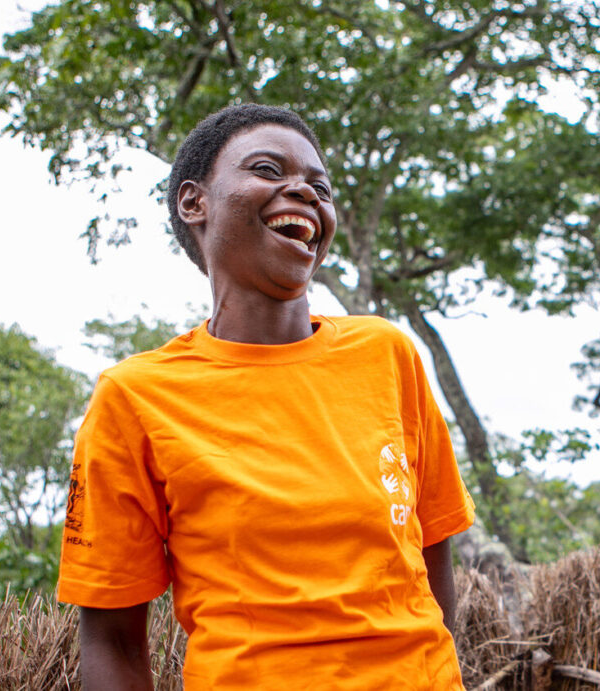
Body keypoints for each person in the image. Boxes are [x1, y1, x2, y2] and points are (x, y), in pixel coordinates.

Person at [57, 104, 476, 690]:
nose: (303, 190)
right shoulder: (136, 398)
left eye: (320, 186)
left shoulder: (386, 355)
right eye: (266, 168)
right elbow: (111, 638)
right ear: (193, 202)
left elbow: (432, 555)